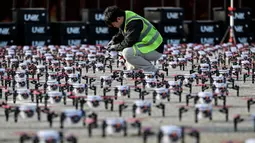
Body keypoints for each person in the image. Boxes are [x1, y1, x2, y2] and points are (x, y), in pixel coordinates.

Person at [103, 5, 164, 73]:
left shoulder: (134, 22)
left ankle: (151, 70)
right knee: (122, 49)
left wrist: (115, 47)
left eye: (113, 24)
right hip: (147, 46)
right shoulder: (125, 16)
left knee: (127, 52)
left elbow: (129, 42)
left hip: (154, 48)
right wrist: (113, 41)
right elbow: (122, 34)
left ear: (118, 19)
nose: (113, 26)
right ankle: (134, 69)